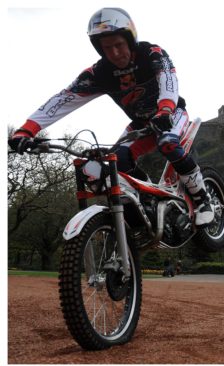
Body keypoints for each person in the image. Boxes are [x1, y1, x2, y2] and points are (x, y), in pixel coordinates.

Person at [8, 8, 213, 226]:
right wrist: (26, 130)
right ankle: (148, 201)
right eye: (107, 48)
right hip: (141, 125)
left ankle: (202, 199)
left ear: (130, 40)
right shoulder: (98, 74)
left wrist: (165, 109)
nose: (114, 53)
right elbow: (62, 100)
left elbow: (168, 79)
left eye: (118, 45)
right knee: (112, 165)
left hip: (172, 115)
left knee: (168, 143)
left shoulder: (151, 53)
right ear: (99, 49)